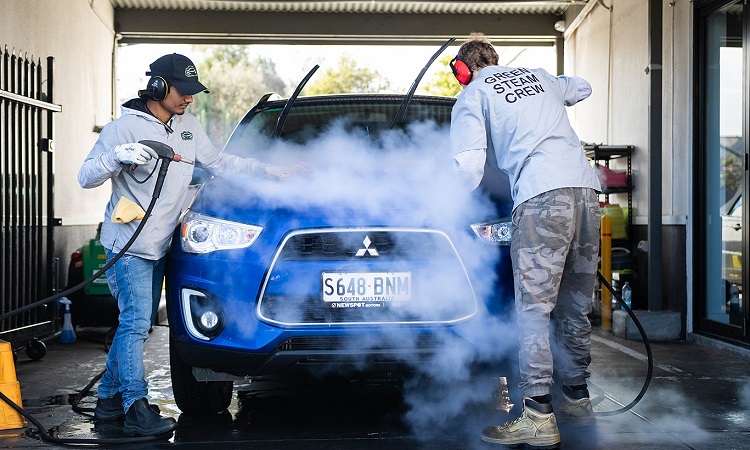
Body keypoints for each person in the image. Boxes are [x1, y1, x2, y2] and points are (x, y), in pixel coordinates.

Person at [78, 53, 303, 437]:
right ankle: (135, 406)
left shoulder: (189, 127)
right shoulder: (122, 129)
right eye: (183, 92)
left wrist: (271, 171)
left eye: (193, 93)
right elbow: (85, 176)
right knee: (134, 324)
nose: (189, 99)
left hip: (162, 245)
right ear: (158, 88)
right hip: (128, 245)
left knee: (135, 324)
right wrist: (115, 158)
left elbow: (221, 163)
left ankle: (106, 403)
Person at [449, 33, 601, 448]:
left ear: (462, 70)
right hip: (586, 194)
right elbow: (583, 86)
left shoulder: (473, 94)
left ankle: (536, 415)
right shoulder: (539, 76)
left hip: (540, 199)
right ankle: (576, 399)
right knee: (574, 306)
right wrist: (552, 89)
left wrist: (435, 203)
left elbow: (467, 169)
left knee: (534, 308)